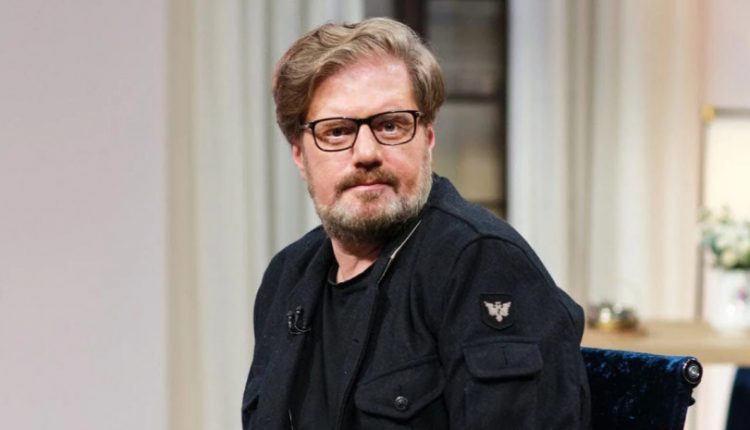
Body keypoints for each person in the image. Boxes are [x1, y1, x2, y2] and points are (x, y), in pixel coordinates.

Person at [242, 17, 591, 429]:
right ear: (300, 155)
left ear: (427, 138)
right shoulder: (287, 276)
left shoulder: (482, 263)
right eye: (336, 132)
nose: (366, 153)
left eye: (390, 125)